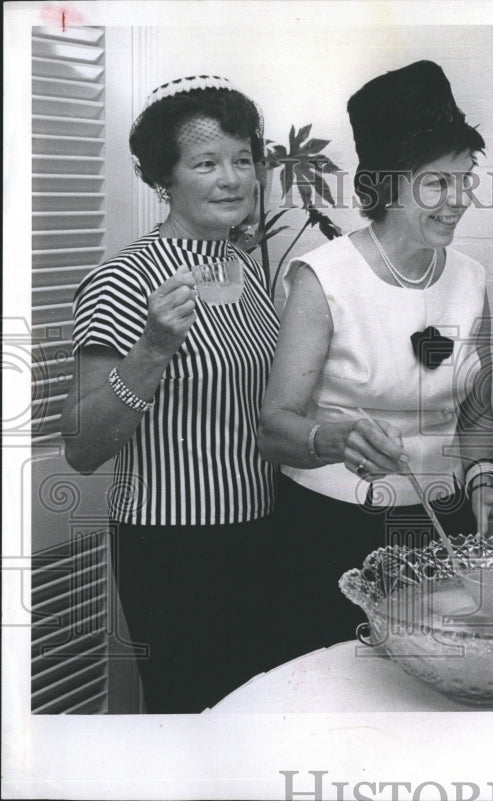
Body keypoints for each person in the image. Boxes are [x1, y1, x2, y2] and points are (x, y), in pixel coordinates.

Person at [258, 60, 493, 654]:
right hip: (331, 531)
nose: (457, 201)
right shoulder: (322, 279)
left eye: (464, 179)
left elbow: (474, 412)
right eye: (437, 183)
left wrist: (484, 479)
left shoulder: (471, 279)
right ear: (387, 184)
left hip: (441, 530)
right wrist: (336, 439)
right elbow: (275, 427)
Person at [61, 75, 281, 713]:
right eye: (207, 163)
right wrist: (154, 347)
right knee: (192, 715)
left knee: (253, 717)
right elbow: (79, 446)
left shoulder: (245, 269)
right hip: (171, 544)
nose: (232, 179)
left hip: (260, 530)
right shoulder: (124, 278)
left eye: (243, 160)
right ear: (166, 179)